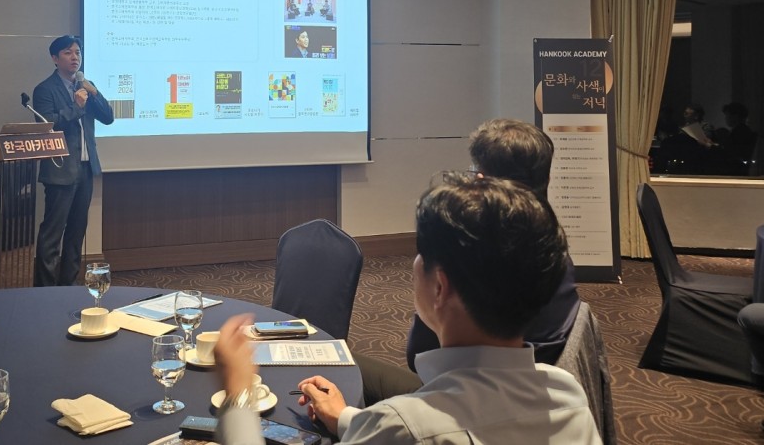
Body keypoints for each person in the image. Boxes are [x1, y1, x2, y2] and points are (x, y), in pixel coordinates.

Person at [213, 174, 602, 445]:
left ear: (440, 287)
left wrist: (238, 397)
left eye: (420, 254)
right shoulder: (566, 395)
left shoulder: (402, 427)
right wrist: (346, 419)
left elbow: (408, 431)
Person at [358, 119, 581, 405]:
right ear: (546, 179)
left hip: (460, 398)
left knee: (341, 365)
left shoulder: (468, 261)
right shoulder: (555, 253)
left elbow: (420, 356)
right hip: (532, 392)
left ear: (481, 180)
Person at [32, 35, 113, 286]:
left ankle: (68, 286)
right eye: (68, 53)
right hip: (60, 170)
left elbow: (108, 117)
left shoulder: (86, 86)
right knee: (52, 234)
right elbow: (47, 125)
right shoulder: (45, 89)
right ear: (55, 58)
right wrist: (77, 107)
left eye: (77, 52)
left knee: (77, 233)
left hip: (86, 168)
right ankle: (45, 290)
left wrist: (94, 92)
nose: (75, 57)